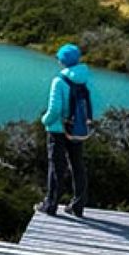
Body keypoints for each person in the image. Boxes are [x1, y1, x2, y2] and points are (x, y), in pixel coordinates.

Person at [37, 43, 90, 217]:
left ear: (63, 61)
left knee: (56, 166)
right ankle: (77, 204)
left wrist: (45, 120)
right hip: (77, 128)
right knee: (77, 165)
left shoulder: (59, 81)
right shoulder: (83, 78)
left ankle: (51, 204)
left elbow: (55, 110)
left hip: (58, 130)